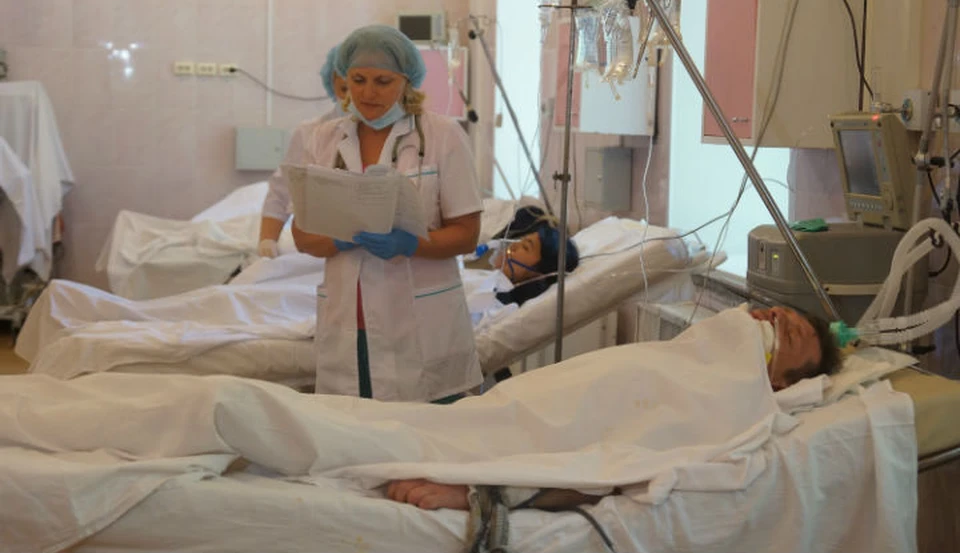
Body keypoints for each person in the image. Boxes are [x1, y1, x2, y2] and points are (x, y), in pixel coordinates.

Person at [385, 304, 843, 511]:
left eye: (791, 334)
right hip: (533, 403)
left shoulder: (735, 410)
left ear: (780, 382)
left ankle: (468, 471)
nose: (774, 318)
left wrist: (480, 492)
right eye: (772, 313)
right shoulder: (684, 357)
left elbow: (619, 466)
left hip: (550, 437)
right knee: (457, 423)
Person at [292, 25, 484, 403]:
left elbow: (466, 234)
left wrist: (411, 244)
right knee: (352, 428)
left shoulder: (443, 135)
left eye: (382, 81)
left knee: (425, 432)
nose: (368, 93)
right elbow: (303, 235)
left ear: (407, 81)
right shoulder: (324, 139)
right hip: (349, 319)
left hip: (418, 320)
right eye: (357, 80)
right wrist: (338, 238)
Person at [258, 45, 351, 258]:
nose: (352, 97)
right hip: (315, 247)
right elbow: (282, 189)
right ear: (332, 84)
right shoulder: (310, 132)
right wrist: (267, 240)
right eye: (344, 88)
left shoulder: (399, 135)